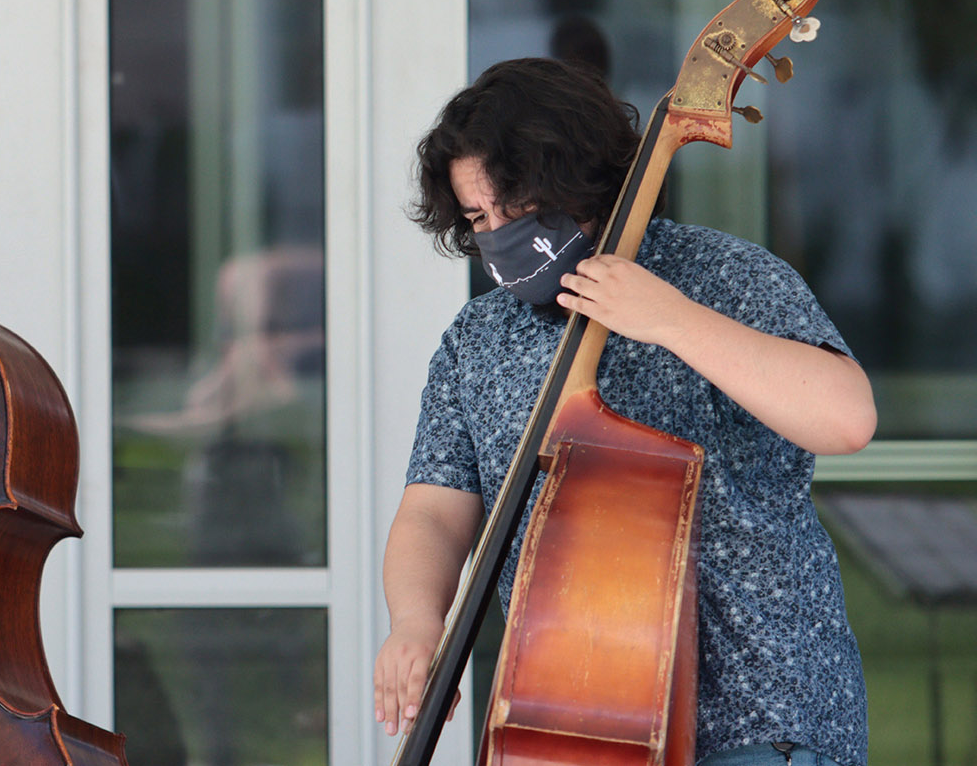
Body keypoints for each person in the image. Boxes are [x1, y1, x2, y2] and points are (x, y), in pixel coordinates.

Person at [372, 58, 875, 766]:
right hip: (580, 719)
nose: (499, 236)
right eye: (479, 217)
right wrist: (418, 622)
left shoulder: (725, 276)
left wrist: (671, 319)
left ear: (580, 180)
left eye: (518, 208)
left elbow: (846, 416)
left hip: (764, 720)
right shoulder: (479, 338)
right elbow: (433, 507)